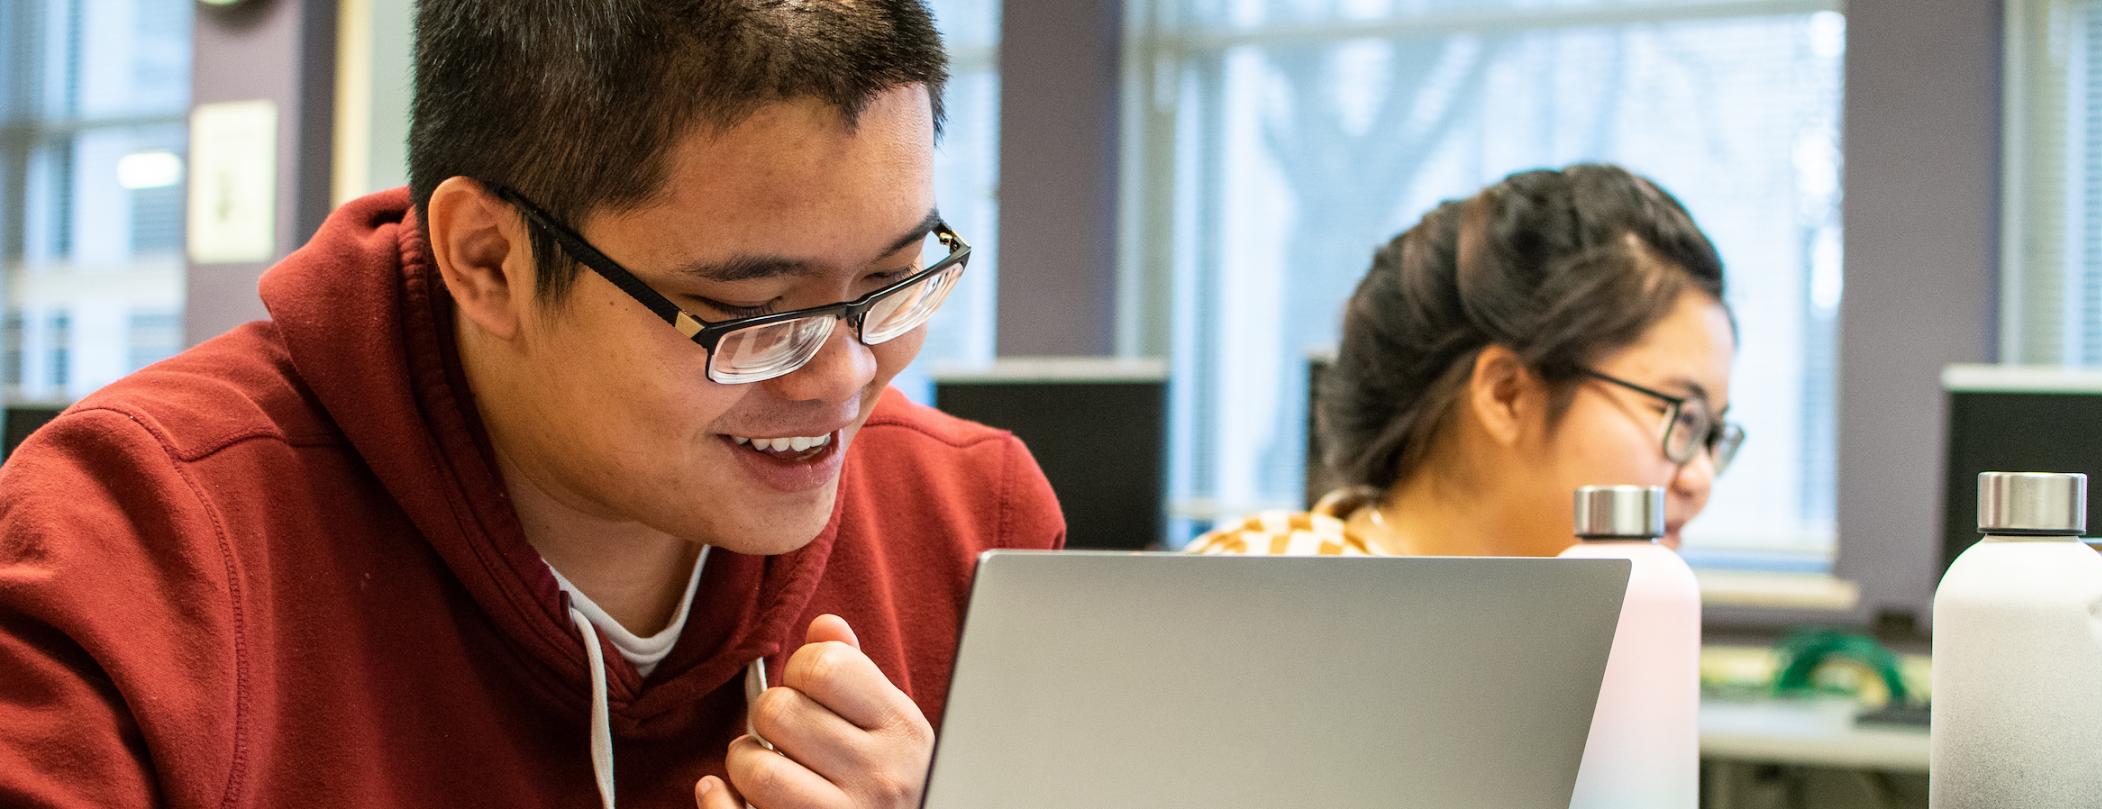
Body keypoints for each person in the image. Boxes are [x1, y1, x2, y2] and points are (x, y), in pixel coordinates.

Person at [0, 2, 1064, 808]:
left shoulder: (975, 526)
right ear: (488, 261)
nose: (842, 378)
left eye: (893, 281)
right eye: (752, 310)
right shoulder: (134, 546)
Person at [1191, 164, 1741, 557]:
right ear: (1508, 394)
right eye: (1682, 417)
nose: (1699, 478)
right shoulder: (1279, 589)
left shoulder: (1542, 638)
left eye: (1713, 436)